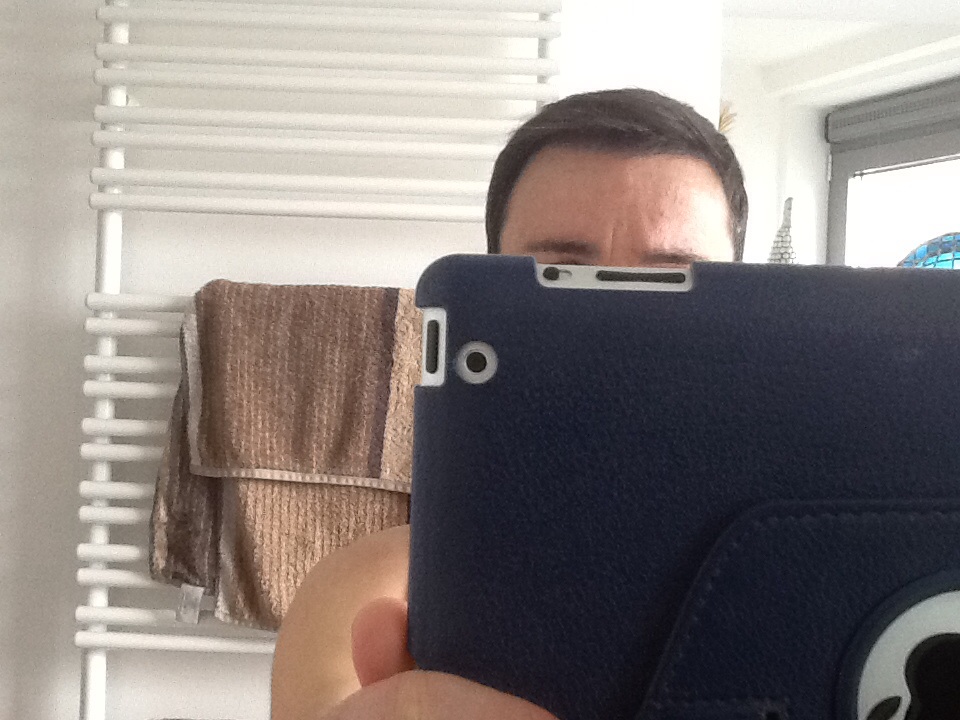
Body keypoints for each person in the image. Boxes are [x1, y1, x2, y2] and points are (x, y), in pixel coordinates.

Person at [270, 88, 748, 720]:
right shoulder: (367, 590)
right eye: (563, 277)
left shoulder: (814, 568)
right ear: (491, 285)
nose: (618, 335)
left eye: (672, 282)